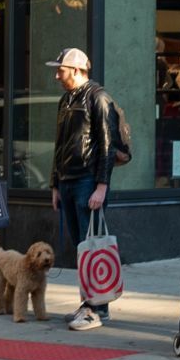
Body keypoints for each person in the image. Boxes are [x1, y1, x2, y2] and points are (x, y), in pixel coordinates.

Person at [47, 47, 118, 331]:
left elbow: (107, 145)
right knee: (82, 247)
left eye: (61, 70)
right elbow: (60, 142)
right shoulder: (66, 99)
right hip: (68, 180)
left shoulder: (98, 98)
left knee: (93, 245)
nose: (57, 75)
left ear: (76, 70)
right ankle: (88, 302)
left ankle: (97, 308)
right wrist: (55, 182)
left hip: (87, 179)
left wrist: (101, 186)